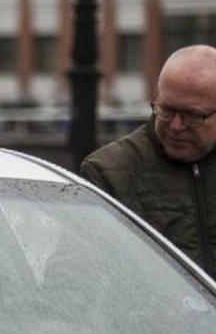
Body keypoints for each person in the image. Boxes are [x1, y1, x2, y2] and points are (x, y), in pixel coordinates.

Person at [80, 44, 216, 275]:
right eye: (165, 109)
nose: (175, 125)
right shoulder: (109, 171)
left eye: (192, 116)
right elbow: (76, 274)